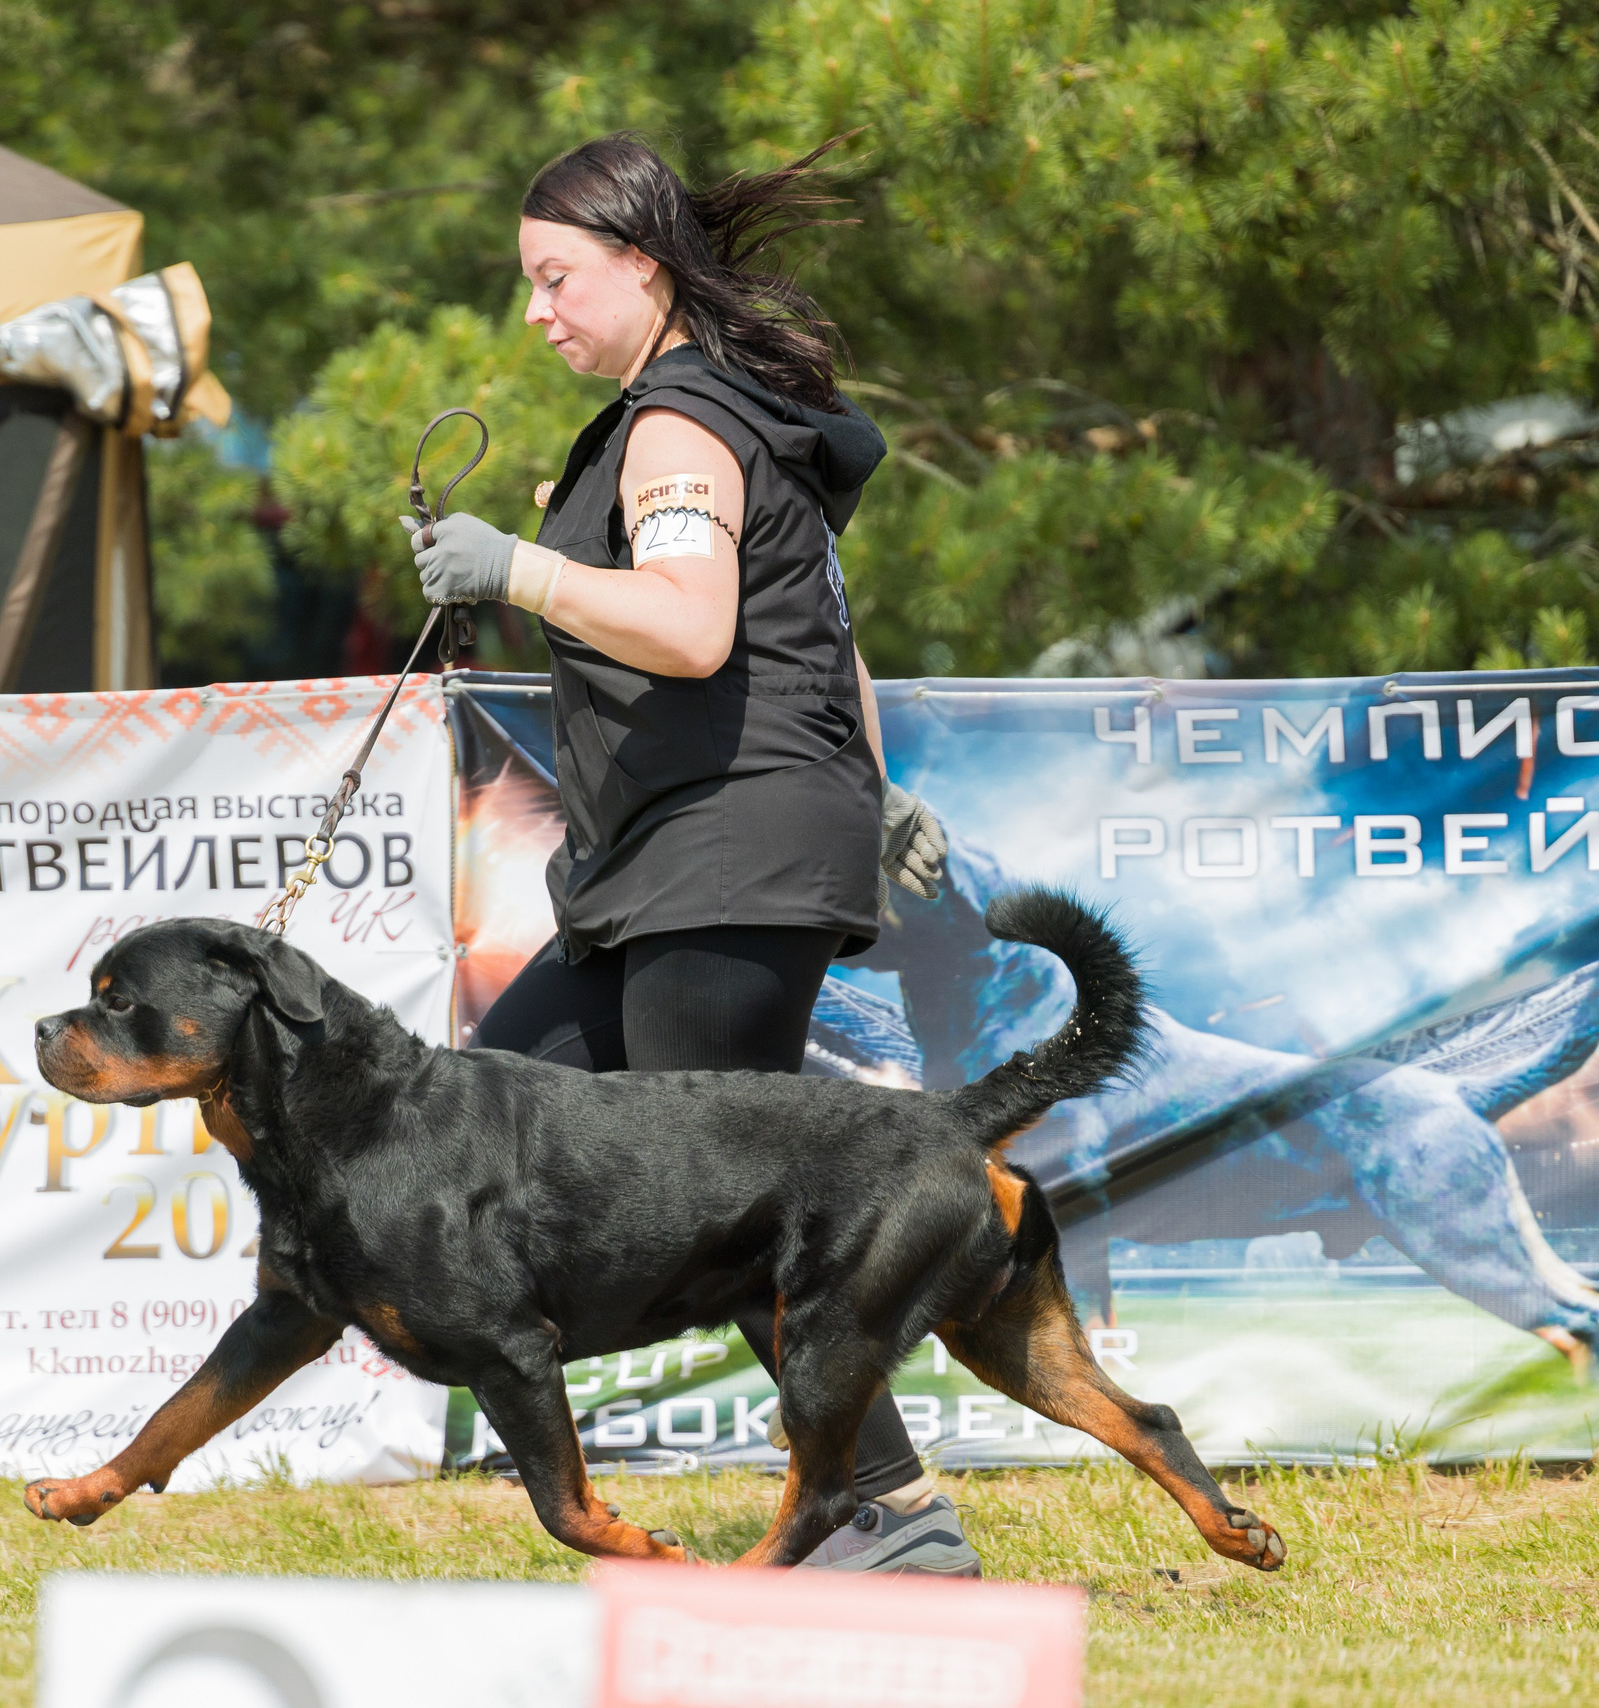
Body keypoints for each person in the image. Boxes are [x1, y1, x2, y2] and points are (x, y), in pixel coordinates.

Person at [404, 134, 968, 1574]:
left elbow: (695, 627)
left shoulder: (677, 427)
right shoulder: (708, 416)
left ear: (642, 265)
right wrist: (874, 789)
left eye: (557, 278)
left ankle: (890, 1512)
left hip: (724, 852)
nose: (535, 310)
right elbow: (823, 631)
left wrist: (514, 566)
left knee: (724, 1206)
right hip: (669, 868)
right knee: (485, 1115)